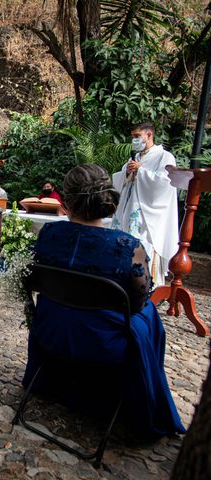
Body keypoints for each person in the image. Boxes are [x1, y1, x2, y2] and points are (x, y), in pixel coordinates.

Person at [24, 164, 185, 438]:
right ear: (107, 198)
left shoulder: (48, 235)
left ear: (67, 200)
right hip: (103, 343)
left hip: (51, 331)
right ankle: (139, 399)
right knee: (149, 318)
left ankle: (59, 381)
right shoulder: (127, 246)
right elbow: (137, 303)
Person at [112, 122, 179, 287]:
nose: (134, 140)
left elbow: (166, 183)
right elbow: (122, 180)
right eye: (133, 137)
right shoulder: (135, 157)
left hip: (148, 216)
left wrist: (141, 171)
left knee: (143, 247)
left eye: (137, 136)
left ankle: (147, 286)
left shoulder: (165, 157)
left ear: (149, 135)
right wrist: (127, 172)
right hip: (129, 209)